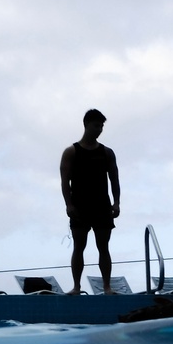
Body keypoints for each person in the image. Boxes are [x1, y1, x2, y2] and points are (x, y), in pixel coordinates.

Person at [60, 108, 121, 294]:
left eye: (102, 126)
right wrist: (69, 204)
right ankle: (77, 287)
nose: (100, 129)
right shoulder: (71, 152)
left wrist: (116, 203)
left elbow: (114, 180)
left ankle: (107, 287)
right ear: (86, 125)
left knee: (103, 246)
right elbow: (65, 181)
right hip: (80, 206)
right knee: (79, 246)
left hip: (102, 205)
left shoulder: (107, 153)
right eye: (96, 125)